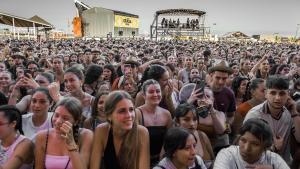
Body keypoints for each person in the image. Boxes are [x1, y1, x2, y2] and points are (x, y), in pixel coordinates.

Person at [244, 75, 300, 163]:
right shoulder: (255, 115)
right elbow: (246, 149)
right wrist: (274, 148)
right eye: (273, 93)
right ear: (266, 93)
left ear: (288, 94)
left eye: (282, 93)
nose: (277, 98)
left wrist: (294, 112)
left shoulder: (289, 113)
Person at [90, 91, 150, 169]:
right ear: (109, 116)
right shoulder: (102, 131)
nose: (129, 115)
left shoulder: (142, 133)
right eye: (122, 111)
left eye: (131, 110)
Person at [35, 97, 93, 169]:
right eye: (56, 115)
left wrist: (71, 144)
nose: (58, 121)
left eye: (65, 118)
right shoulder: (42, 136)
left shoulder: (86, 135)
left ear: (76, 121)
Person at [214, 118, 289, 169]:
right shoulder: (227, 155)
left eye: (255, 144)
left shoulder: (274, 160)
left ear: (265, 147)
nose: (247, 148)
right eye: (243, 140)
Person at [136, 79, 172, 167]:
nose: (155, 94)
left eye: (158, 91)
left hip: (162, 161)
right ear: (144, 95)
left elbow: (169, 139)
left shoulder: (166, 114)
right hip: (140, 161)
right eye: (151, 92)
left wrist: (162, 159)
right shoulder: (137, 113)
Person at [174, 103, 214, 168]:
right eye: (186, 119)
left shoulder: (203, 136)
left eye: (195, 119)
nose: (192, 123)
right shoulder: (172, 140)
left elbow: (213, 160)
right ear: (177, 122)